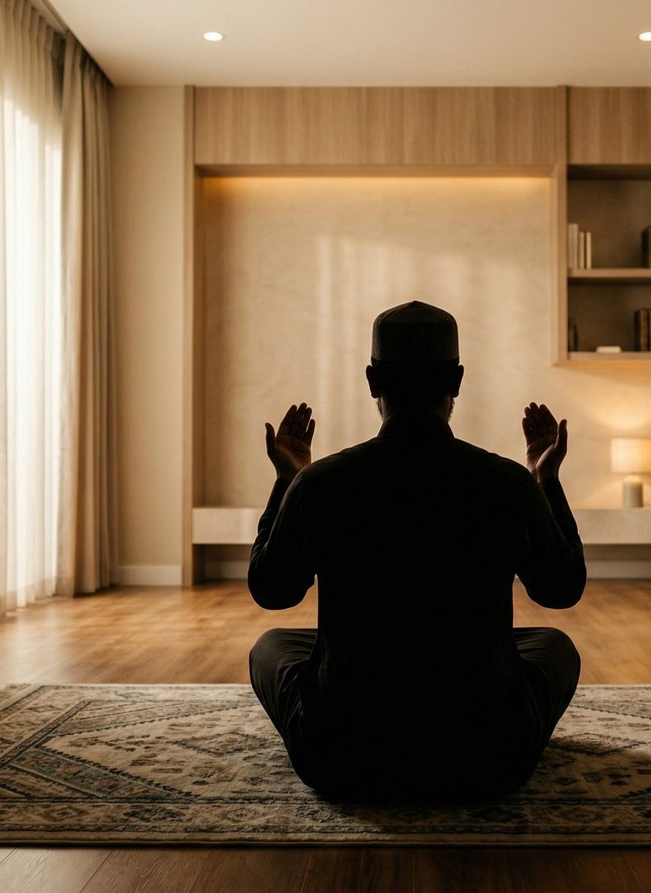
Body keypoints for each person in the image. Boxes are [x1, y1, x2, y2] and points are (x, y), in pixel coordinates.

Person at [247, 300, 586, 802]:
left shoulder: (322, 483)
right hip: (487, 761)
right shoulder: (505, 483)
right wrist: (546, 482)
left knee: (271, 646)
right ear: (456, 381)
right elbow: (561, 590)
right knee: (554, 646)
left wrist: (287, 480)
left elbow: (272, 591)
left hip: (341, 760)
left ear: (372, 381)